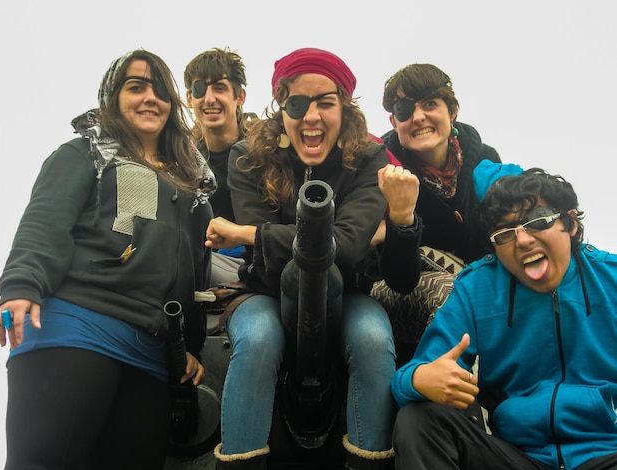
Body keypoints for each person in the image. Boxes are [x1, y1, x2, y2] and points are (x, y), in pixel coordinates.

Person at [0, 49, 216, 470]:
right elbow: (45, 220)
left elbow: (190, 271)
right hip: (78, 325)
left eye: (160, 91)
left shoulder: (187, 185)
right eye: (136, 87)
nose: (150, 98)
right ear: (113, 98)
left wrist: (185, 346)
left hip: (149, 352)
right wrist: (21, 286)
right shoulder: (85, 154)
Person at [205, 47, 396, 469]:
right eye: (296, 103)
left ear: (344, 109)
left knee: (373, 341)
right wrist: (255, 235)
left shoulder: (369, 159)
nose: (310, 116)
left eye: (325, 102)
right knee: (257, 341)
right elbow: (271, 259)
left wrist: (249, 233)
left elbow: (346, 245)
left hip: (347, 293)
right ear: (281, 108)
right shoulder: (248, 158)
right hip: (265, 292)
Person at [391, 162, 617, 469]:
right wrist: (419, 378)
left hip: (607, 452)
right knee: (418, 420)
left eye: (537, 221)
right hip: (518, 457)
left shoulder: (610, 278)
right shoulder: (477, 288)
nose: (522, 240)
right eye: (506, 232)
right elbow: (413, 374)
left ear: (570, 223)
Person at [374, 63, 503, 358]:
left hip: (476, 286)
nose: (418, 117)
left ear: (452, 110)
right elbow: (398, 276)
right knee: (455, 294)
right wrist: (402, 218)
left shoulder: (484, 159)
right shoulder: (382, 168)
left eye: (430, 104)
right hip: (395, 288)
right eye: (405, 110)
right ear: (394, 122)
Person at [184, 47, 255, 287]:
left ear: (240, 97)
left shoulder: (267, 151)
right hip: (205, 259)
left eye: (220, 88)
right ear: (189, 99)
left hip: (258, 259)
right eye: (199, 89)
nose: (209, 98)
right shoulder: (182, 159)